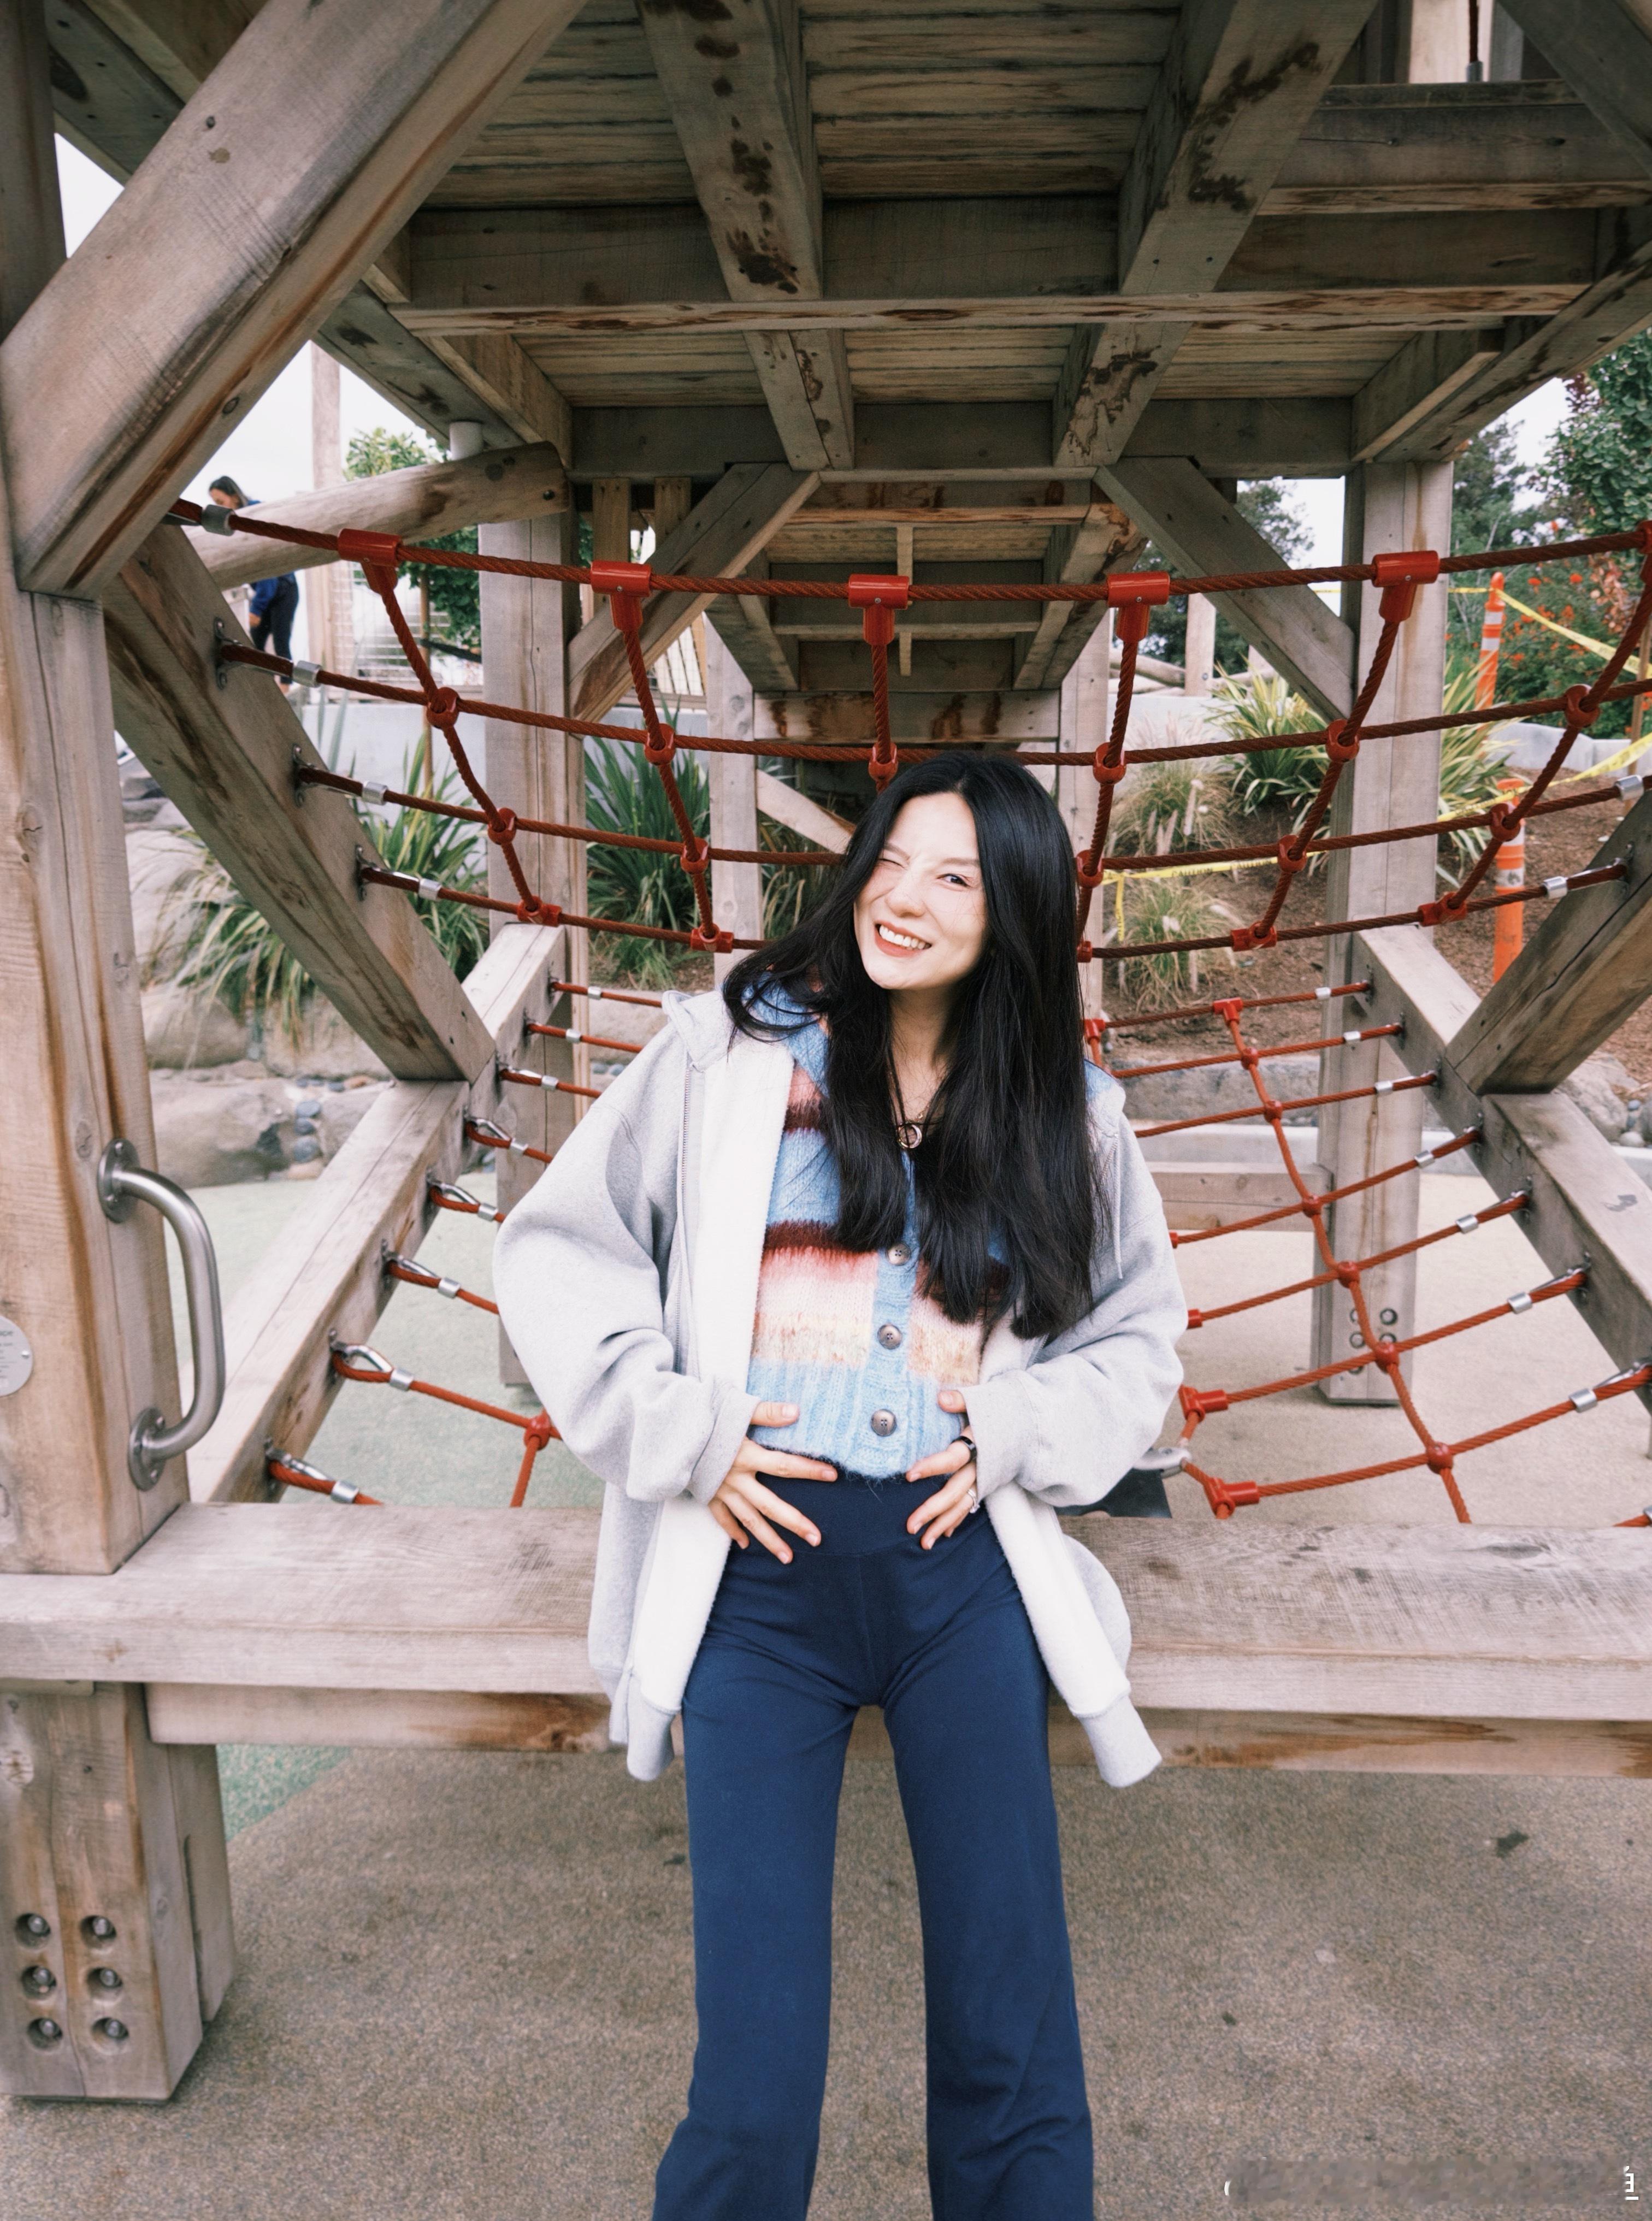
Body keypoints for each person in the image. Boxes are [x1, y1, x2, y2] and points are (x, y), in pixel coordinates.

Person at [493, 749, 1185, 2221]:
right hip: (759, 1593)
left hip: (960, 1583)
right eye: (891, 857)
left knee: (1007, 2030)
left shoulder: (1068, 1111)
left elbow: (1138, 1340)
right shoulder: (725, 1057)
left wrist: (1017, 1427)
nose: (904, 896)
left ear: (1015, 913)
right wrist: (682, 1431)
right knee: (755, 2072)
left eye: (955, 876)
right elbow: (558, 1254)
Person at [207, 475, 299, 664]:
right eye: (215, 504)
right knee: (256, 645)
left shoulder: (254, 515)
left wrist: (256, 609)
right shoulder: (234, 524)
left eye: (220, 502)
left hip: (283, 588)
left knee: (281, 645)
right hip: (265, 590)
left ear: (234, 497)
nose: (219, 508)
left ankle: (285, 681)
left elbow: (267, 570)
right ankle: (265, 679)